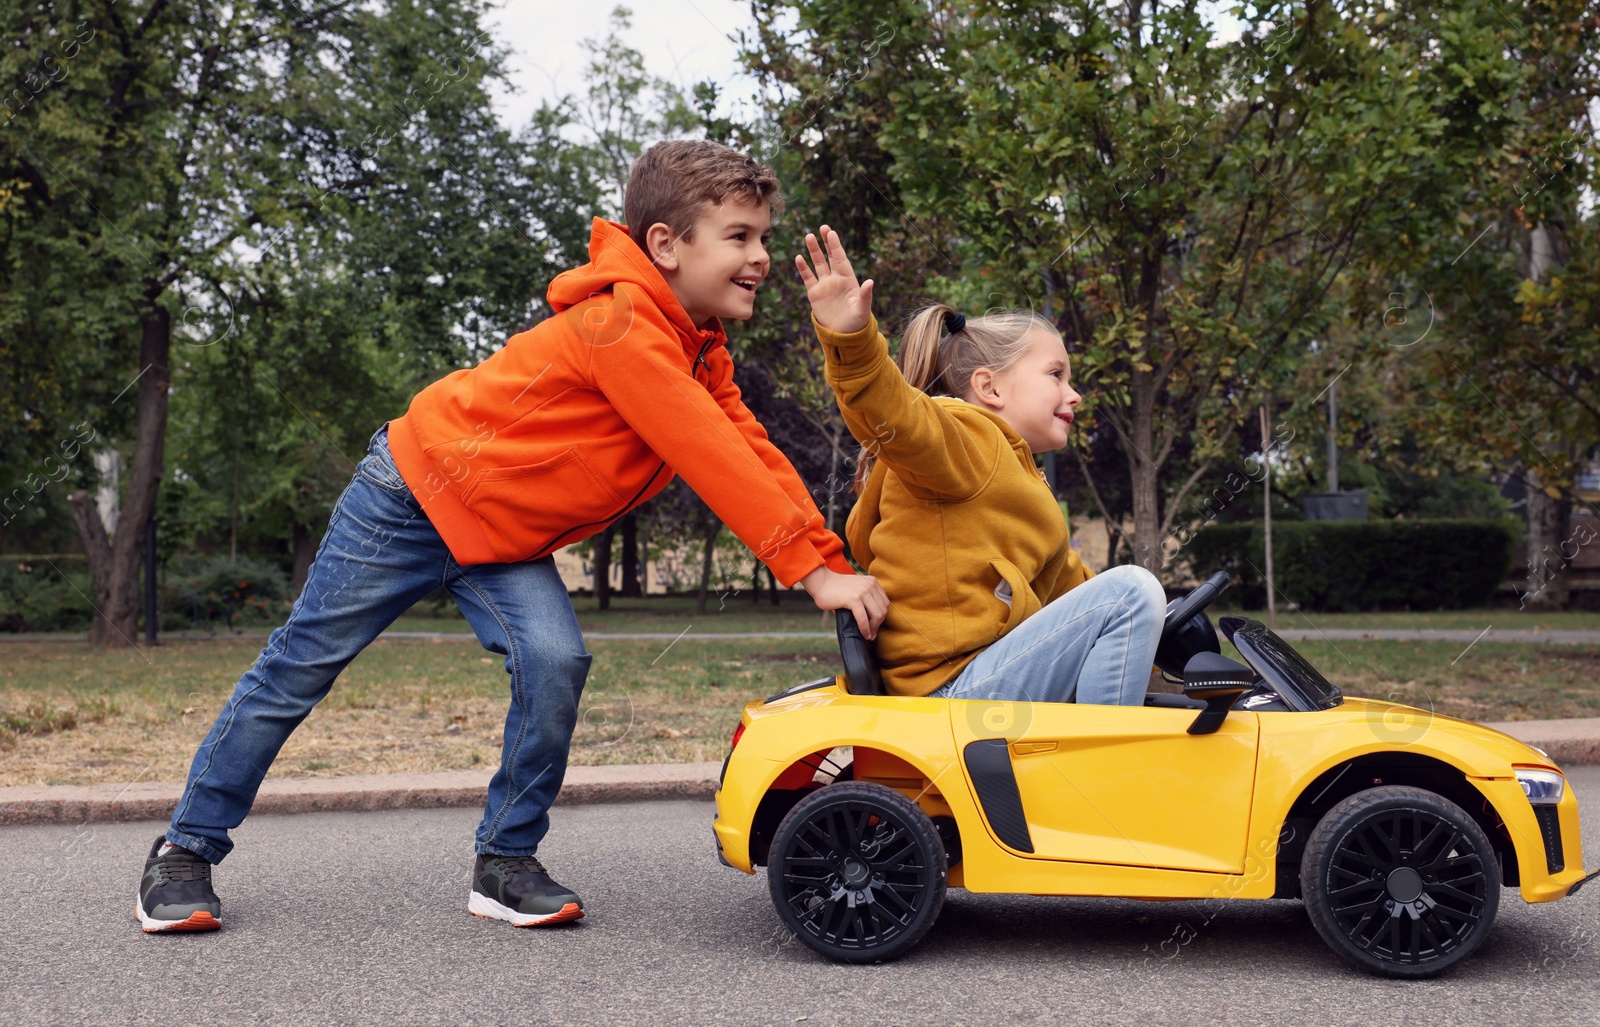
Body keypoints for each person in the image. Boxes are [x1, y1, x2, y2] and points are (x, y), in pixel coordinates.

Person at [137, 142, 888, 933]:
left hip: (502, 537)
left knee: (554, 659)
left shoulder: (697, 348)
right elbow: (707, 452)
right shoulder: (622, 322)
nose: (761, 257)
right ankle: (184, 851)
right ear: (667, 244)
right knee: (298, 668)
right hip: (412, 496)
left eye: (763, 236)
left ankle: (503, 860)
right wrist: (811, 571)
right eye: (739, 236)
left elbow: (750, 447)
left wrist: (829, 560)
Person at [795, 225, 1164, 703]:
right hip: (953, 688)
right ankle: (1108, 767)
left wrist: (1167, 630)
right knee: (1132, 590)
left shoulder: (1020, 478)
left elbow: (1071, 587)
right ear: (989, 388)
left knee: (1130, 598)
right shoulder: (965, 437)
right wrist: (851, 342)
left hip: (985, 672)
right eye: (1056, 374)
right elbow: (897, 417)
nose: (1074, 394)